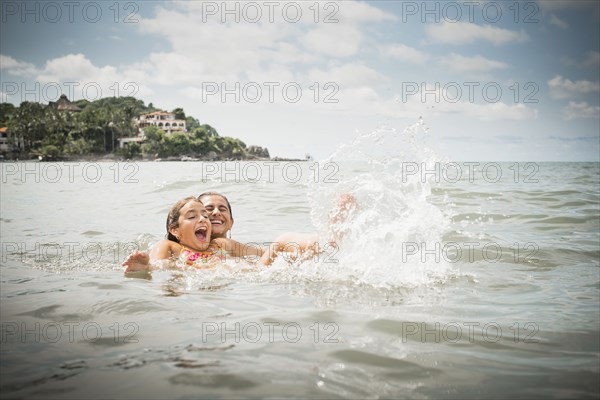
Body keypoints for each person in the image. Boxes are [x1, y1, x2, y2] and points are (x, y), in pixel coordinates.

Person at [122, 196, 260, 274]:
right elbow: (157, 266)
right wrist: (145, 266)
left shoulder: (221, 244)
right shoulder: (171, 247)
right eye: (192, 216)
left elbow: (264, 254)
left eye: (205, 216)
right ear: (175, 230)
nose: (202, 219)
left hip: (241, 281)